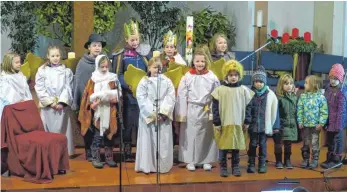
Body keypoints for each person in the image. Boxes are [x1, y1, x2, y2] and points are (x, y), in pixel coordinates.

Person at [112, 20, 151, 161]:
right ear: (127, 40)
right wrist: (127, 84)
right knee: (128, 123)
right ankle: (127, 151)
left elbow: (150, 70)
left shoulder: (145, 54)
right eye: (132, 40)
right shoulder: (121, 55)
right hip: (129, 95)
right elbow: (118, 74)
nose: (135, 42)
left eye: (137, 39)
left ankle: (143, 151)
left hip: (144, 94)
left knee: (143, 122)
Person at [175, 50, 220, 171]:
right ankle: (190, 160)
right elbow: (182, 95)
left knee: (207, 135)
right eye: (197, 61)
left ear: (206, 62)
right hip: (192, 108)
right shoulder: (187, 77)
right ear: (193, 62)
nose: (200, 64)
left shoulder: (212, 77)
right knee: (190, 134)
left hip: (206, 108)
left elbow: (216, 94)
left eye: (202, 61)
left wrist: (213, 110)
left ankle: (206, 160)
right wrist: (182, 113)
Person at [212, 60, 254, 177]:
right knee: (223, 146)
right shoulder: (219, 90)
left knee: (236, 146)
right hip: (224, 123)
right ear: (226, 76)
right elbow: (215, 108)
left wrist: (247, 120)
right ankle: (223, 167)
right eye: (231, 75)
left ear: (239, 76)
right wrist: (217, 122)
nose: (233, 77)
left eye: (236, 75)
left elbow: (248, 107)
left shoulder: (244, 90)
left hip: (238, 123)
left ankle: (235, 166)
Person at [135, 57, 175, 174]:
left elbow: (171, 97)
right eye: (155, 67)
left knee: (162, 142)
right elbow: (141, 98)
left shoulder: (166, 81)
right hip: (149, 115)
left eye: (159, 67)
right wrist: (152, 113)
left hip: (162, 116)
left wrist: (163, 113)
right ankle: (148, 166)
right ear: (149, 68)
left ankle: (162, 166)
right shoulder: (144, 81)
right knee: (148, 142)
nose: (157, 70)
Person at [78, 55, 119, 169]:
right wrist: (92, 105)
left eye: (106, 66)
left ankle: (109, 157)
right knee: (98, 135)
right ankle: (96, 157)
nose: (105, 69)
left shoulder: (112, 78)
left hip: (110, 110)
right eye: (102, 67)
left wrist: (115, 99)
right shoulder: (93, 80)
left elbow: (118, 94)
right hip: (98, 112)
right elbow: (87, 97)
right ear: (97, 66)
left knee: (109, 135)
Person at [73, 33, 107, 161]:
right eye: (94, 45)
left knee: (100, 125)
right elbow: (79, 83)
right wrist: (80, 101)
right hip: (87, 100)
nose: (97, 48)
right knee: (88, 126)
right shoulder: (83, 63)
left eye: (99, 45)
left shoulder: (104, 61)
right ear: (89, 47)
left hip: (102, 101)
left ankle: (97, 151)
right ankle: (89, 151)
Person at [35, 46, 75, 156]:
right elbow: (39, 87)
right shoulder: (42, 71)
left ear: (60, 56)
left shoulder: (66, 71)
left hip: (61, 106)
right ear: (48, 56)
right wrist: (50, 102)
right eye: (53, 56)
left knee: (62, 129)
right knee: (47, 130)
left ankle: (62, 153)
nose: (55, 58)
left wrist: (62, 102)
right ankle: (48, 152)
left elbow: (68, 87)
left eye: (57, 55)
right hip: (48, 107)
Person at [244, 66, 278, 174]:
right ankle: (251, 163)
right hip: (253, 126)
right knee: (252, 144)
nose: (258, 84)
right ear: (253, 82)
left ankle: (262, 164)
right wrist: (247, 122)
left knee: (263, 145)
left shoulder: (270, 94)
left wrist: (273, 125)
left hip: (264, 126)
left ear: (264, 82)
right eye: (256, 81)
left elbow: (274, 110)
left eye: (261, 81)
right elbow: (247, 109)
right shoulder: (250, 94)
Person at [297, 75, 328, 169]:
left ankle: (314, 160)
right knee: (306, 142)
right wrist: (300, 121)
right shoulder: (302, 96)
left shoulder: (321, 98)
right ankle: (305, 159)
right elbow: (300, 110)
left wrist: (321, 123)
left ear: (313, 85)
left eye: (306, 83)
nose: (304, 84)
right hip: (305, 125)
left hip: (315, 126)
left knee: (315, 143)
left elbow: (324, 111)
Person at [321, 64, 347, 169]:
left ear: (340, 79)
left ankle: (336, 160)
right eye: (331, 78)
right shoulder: (328, 89)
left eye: (335, 79)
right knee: (330, 140)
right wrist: (325, 121)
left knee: (337, 140)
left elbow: (342, 111)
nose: (332, 81)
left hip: (338, 122)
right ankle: (330, 158)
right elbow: (325, 105)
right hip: (330, 120)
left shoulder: (342, 92)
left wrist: (338, 124)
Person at [273, 74, 298, 169]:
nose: (289, 86)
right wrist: (276, 126)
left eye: (291, 83)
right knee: (278, 144)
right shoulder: (278, 98)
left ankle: (287, 160)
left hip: (291, 125)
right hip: (280, 125)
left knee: (288, 144)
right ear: (281, 85)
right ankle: (278, 160)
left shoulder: (295, 98)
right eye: (286, 84)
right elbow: (276, 114)